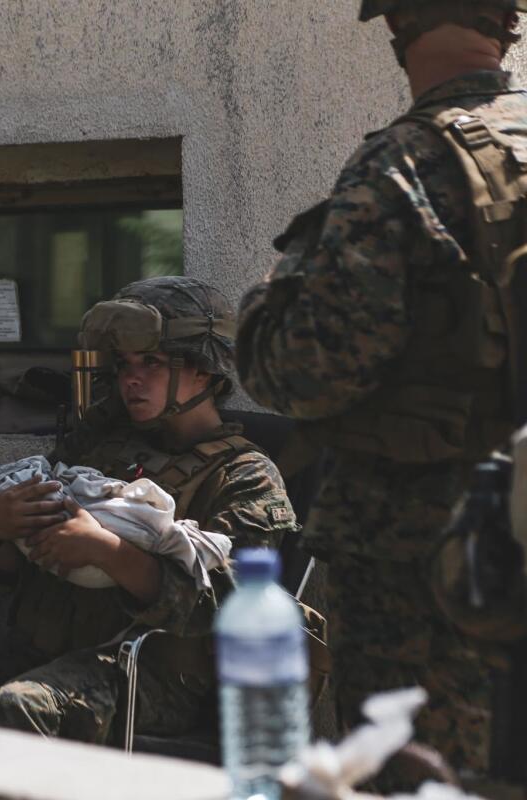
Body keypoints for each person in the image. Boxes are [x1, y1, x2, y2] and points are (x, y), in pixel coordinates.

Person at [235, 0, 527, 783]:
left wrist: (265, 305)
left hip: (426, 558)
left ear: (398, 29)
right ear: (508, 27)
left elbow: (301, 371)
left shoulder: (402, 165)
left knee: (418, 776)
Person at [0, 276, 297, 744]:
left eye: (152, 363)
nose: (131, 379)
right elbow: (11, 576)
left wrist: (108, 552)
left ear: (204, 371)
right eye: (123, 365)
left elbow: (231, 606)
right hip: (36, 648)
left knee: (24, 706)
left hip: (145, 674)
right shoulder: (99, 444)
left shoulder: (245, 475)